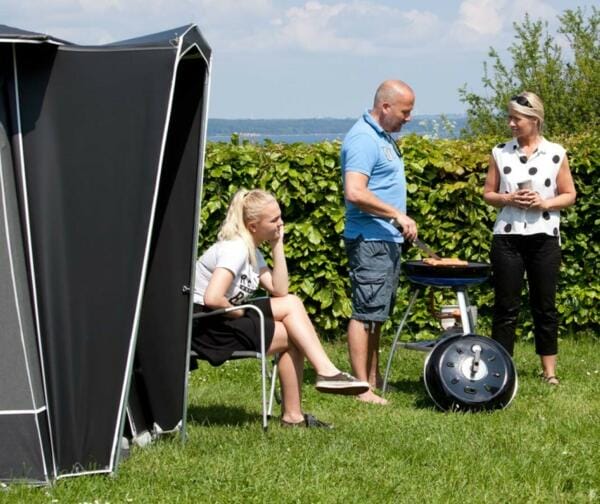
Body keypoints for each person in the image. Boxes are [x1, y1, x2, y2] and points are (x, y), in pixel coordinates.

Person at [192, 189, 369, 428]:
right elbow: (213, 297)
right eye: (274, 219)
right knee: (293, 336)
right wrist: (240, 312)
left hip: (222, 316)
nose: (281, 223)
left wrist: (277, 245)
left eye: (280, 216)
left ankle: (323, 375)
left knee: (292, 303)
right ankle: (299, 408)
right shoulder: (235, 249)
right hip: (205, 325)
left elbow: (280, 290)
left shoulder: (251, 250)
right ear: (253, 226)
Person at [483, 91, 576, 385]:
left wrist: (544, 203)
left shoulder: (556, 153)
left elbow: (570, 194)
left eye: (517, 119)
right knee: (505, 306)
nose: (511, 123)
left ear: (534, 119)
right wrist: (508, 198)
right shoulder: (500, 152)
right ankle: (501, 372)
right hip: (507, 238)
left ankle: (549, 372)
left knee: (544, 306)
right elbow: (488, 194)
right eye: (509, 118)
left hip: (544, 238)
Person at [341, 80, 418, 405]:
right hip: (369, 240)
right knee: (365, 312)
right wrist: (397, 215)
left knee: (377, 314)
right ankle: (361, 388)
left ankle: (373, 379)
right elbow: (355, 192)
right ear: (385, 106)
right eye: (405, 111)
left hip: (384, 239)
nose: (408, 118)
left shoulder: (382, 137)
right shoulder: (363, 138)